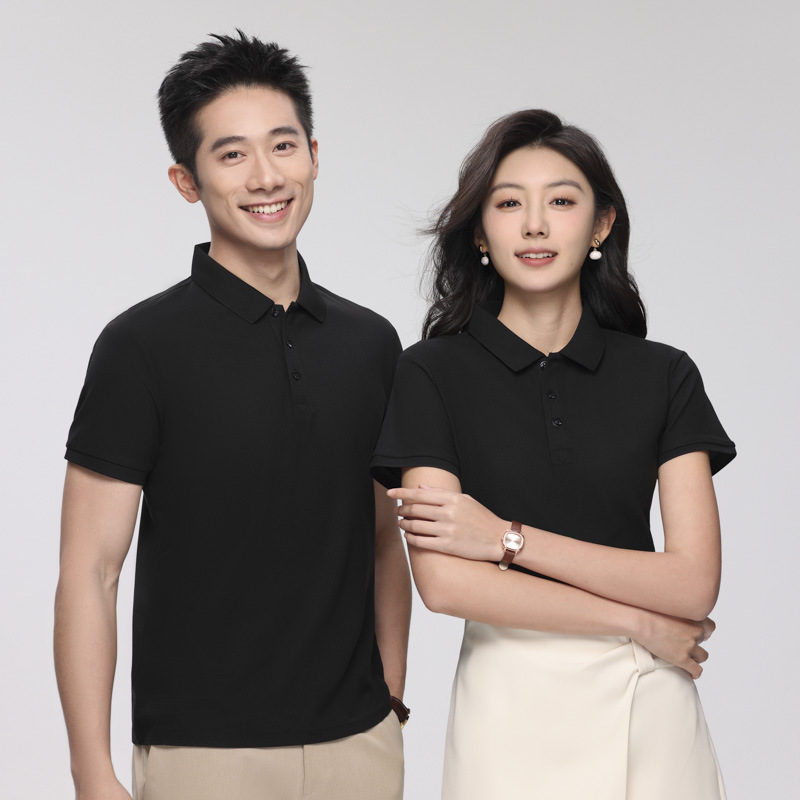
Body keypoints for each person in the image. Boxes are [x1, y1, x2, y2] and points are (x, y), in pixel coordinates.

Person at [54, 31, 410, 800]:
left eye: (283, 145)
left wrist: (390, 704)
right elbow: (90, 571)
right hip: (204, 757)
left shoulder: (373, 344)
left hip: (360, 749)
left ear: (314, 155)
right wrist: (91, 771)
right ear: (186, 181)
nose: (266, 176)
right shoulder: (140, 347)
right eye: (231, 154)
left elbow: (386, 541)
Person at [371, 109, 735, 799]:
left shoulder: (664, 374)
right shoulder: (430, 373)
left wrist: (504, 539)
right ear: (480, 232)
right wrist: (636, 620)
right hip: (511, 705)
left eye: (562, 202)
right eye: (509, 204)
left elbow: (693, 584)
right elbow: (445, 584)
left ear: (601, 225)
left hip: (649, 700)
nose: (535, 225)